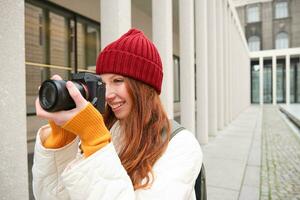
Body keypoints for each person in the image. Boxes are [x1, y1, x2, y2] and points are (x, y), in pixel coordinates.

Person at [32, 28, 203, 200]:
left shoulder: (182, 146)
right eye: (103, 83)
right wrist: (61, 142)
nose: (107, 95)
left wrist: (96, 144)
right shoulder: (107, 128)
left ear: (145, 88)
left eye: (118, 81)